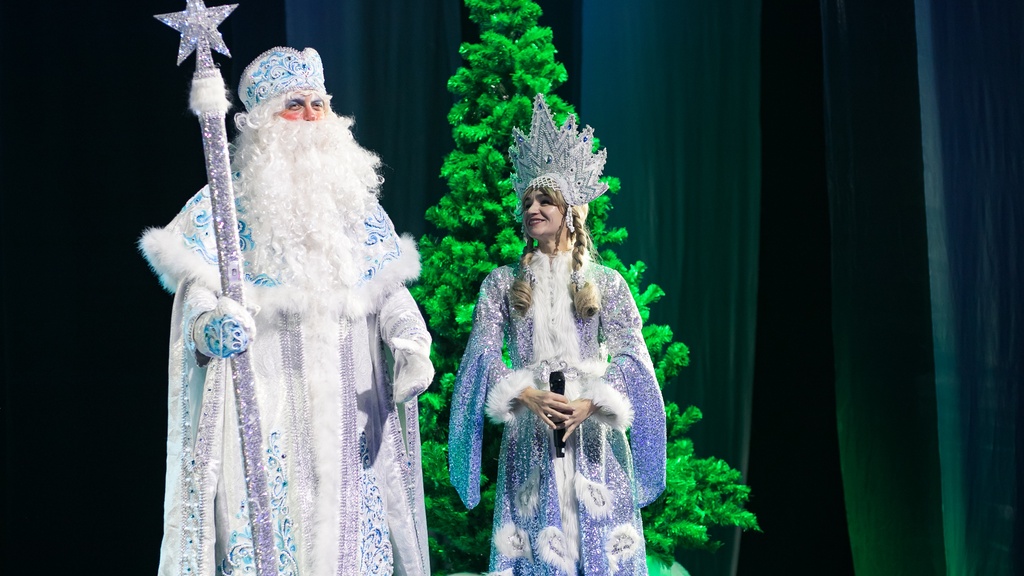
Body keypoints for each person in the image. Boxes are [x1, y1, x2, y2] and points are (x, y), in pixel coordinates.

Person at [141, 47, 433, 576]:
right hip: (266, 409)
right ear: (263, 122)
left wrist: (411, 342)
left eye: (319, 104)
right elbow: (198, 297)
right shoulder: (225, 208)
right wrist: (211, 327)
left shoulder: (357, 206)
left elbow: (389, 291)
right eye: (295, 105)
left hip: (351, 414)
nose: (313, 116)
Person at [448, 94, 667, 575]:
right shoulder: (502, 284)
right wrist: (525, 393)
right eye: (527, 200)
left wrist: (593, 402)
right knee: (538, 543)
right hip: (531, 433)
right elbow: (483, 356)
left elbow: (632, 356)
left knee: (596, 540)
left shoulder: (606, 282)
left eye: (544, 200)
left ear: (569, 210)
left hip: (593, 439)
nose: (532, 208)